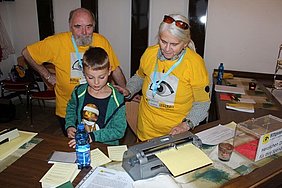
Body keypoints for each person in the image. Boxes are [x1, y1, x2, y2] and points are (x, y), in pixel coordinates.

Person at [22, 8, 126, 136]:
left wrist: (125, 91)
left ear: (94, 25)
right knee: (76, 146)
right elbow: (27, 53)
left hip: (99, 107)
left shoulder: (101, 41)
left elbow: (115, 68)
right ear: (70, 26)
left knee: (99, 141)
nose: (84, 32)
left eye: (89, 27)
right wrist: (47, 76)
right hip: (70, 110)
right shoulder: (56, 42)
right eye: (78, 27)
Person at [116, 14, 210, 141]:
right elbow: (140, 77)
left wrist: (186, 125)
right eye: (163, 41)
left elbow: (202, 103)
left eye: (174, 44)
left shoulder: (195, 63)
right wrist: (129, 90)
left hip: (175, 135)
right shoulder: (150, 53)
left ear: (185, 43)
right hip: (145, 132)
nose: (166, 49)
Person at [66, 47, 126, 146]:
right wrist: (70, 125)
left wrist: (92, 136)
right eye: (90, 77)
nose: (96, 82)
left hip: (106, 147)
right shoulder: (79, 92)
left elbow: (118, 131)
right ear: (84, 73)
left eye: (101, 77)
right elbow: (71, 109)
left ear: (109, 71)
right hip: (82, 144)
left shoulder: (117, 99)